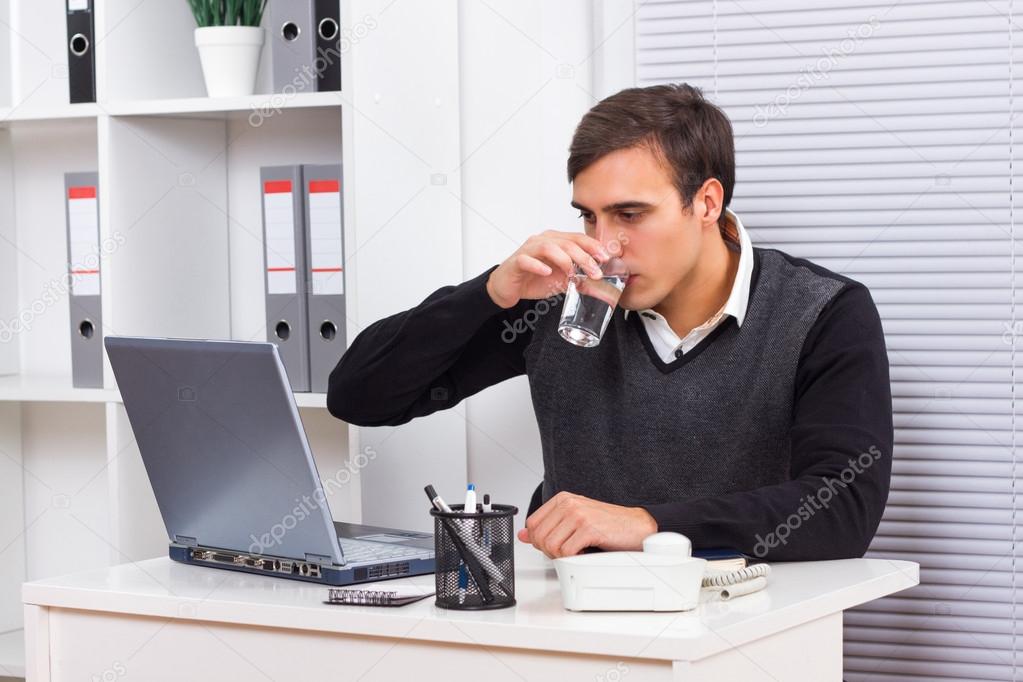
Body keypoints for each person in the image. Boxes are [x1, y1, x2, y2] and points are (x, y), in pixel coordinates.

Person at [327, 82, 892, 562]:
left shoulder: (821, 312)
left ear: (706, 203)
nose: (605, 245)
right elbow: (361, 397)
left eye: (630, 214)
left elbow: (843, 508)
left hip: (744, 625)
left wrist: (648, 524)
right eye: (588, 216)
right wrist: (491, 292)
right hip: (576, 625)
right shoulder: (561, 299)